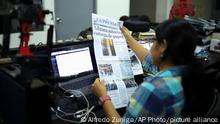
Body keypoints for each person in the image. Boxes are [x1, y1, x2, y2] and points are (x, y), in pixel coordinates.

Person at [92, 19, 214, 123]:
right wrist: (128, 38)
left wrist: (104, 97)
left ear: (163, 46)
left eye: (155, 40)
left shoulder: (152, 89)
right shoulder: (187, 73)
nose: (152, 45)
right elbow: (148, 58)